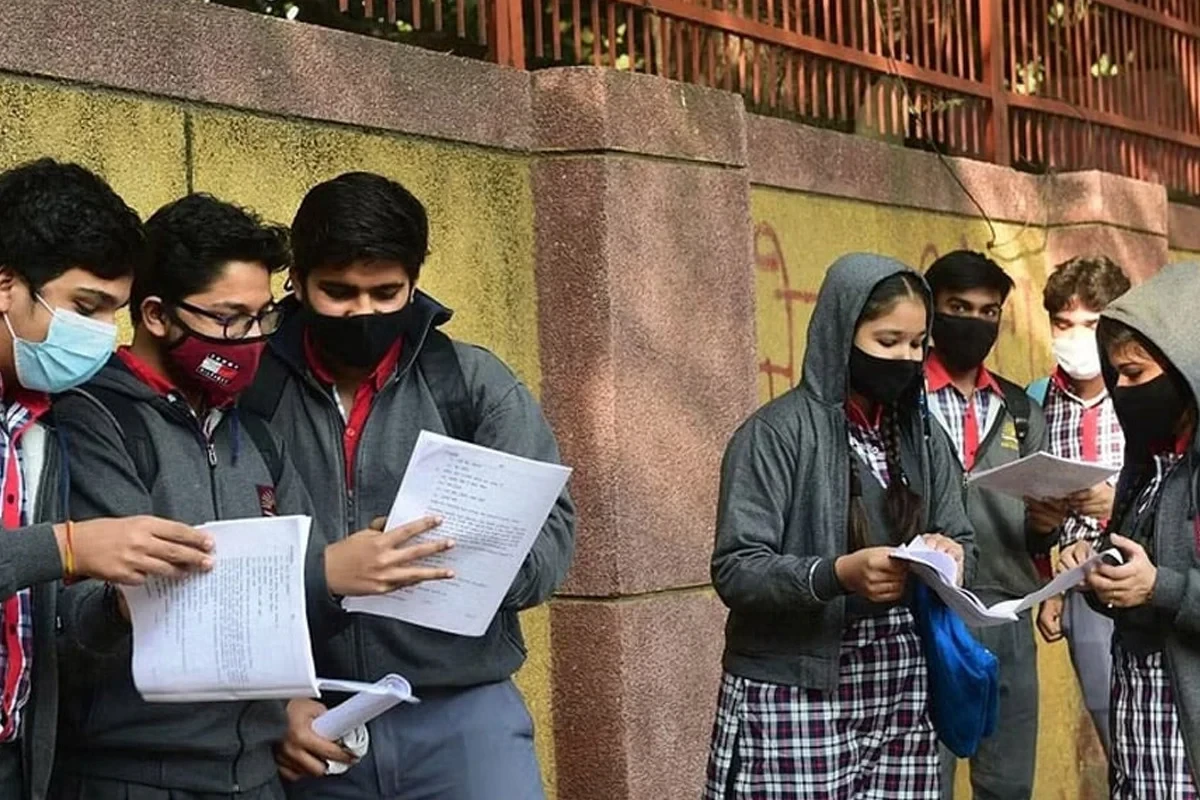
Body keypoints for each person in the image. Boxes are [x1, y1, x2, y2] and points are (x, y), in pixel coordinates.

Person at [49, 193, 455, 800]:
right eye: (230, 320)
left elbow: (294, 613)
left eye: (264, 318)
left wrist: (294, 699)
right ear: (157, 315)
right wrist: (329, 573)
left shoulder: (256, 433)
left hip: (257, 773)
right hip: (132, 771)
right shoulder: (93, 420)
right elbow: (93, 616)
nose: (252, 339)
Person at [240, 172, 575, 799]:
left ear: (414, 283)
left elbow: (552, 535)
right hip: (308, 718)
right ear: (297, 283)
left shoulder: (473, 382)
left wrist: (463, 563)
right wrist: (272, 701)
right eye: (338, 292)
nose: (362, 311)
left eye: (386, 292)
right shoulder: (251, 390)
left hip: (464, 709)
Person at [703, 253, 976, 800]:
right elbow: (736, 570)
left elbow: (963, 535)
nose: (905, 358)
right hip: (795, 689)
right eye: (887, 341)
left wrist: (952, 552)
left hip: (902, 682)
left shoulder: (926, 437)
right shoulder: (774, 435)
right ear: (840, 335)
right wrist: (836, 574)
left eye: (917, 345)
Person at [0, 159, 215, 800]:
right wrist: (66, 548)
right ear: (6, 284)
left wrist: (119, 608)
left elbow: (41, 626)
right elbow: (56, 552)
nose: (99, 338)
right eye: (84, 307)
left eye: (109, 315)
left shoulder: (39, 426)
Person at [1059, 261, 1200, 799]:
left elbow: (1162, 582)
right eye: (1114, 373)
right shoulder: (1150, 465)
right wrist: (1094, 568)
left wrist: (1160, 585)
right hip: (1142, 729)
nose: (1120, 390)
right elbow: (1132, 573)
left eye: (1136, 374)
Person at [922, 251, 1047, 800]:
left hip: (1006, 618)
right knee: (926, 782)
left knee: (1007, 785)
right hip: (927, 617)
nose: (975, 322)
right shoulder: (903, 401)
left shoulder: (1021, 409)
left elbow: (1040, 533)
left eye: (989, 312)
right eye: (958, 307)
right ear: (931, 311)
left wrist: (1049, 527)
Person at [1027, 256, 1130, 755]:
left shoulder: (1140, 391)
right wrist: (1052, 591)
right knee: (1111, 726)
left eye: (1091, 323)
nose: (1075, 336)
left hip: (1143, 578)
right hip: (1077, 589)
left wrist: (1118, 501)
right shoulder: (1035, 399)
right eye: (1063, 323)